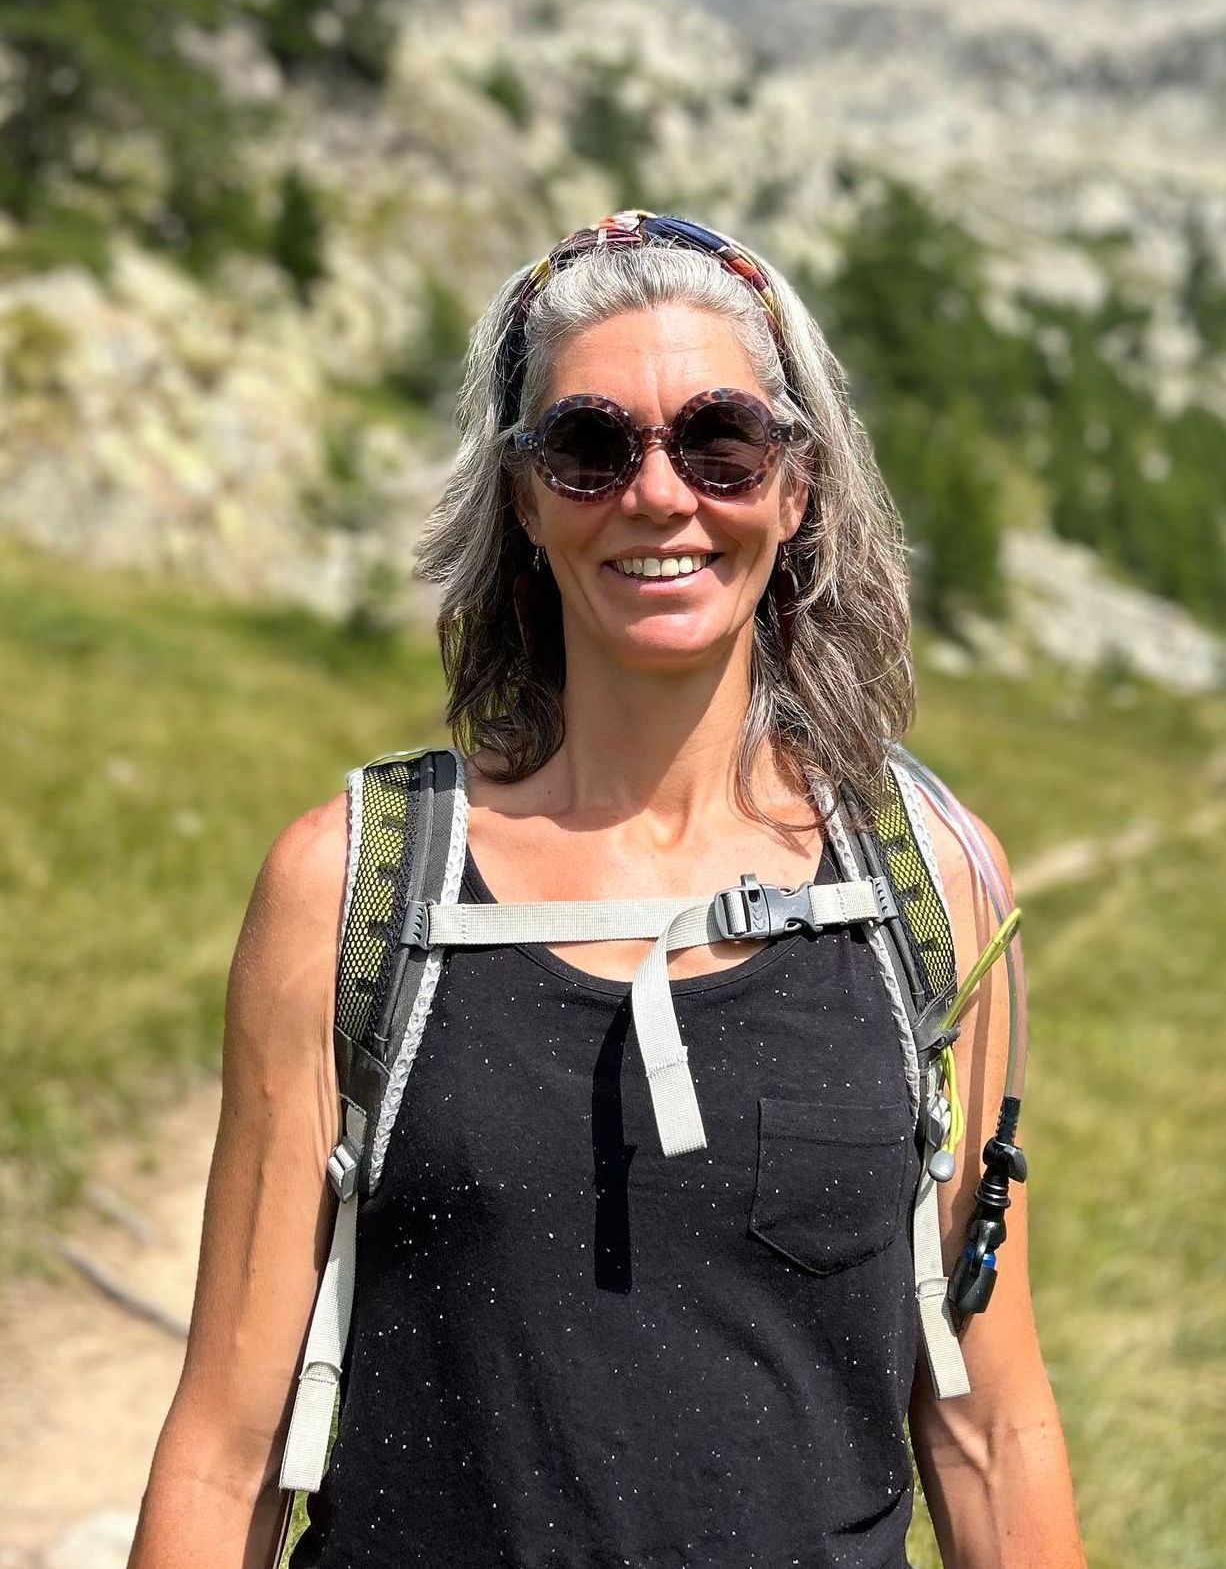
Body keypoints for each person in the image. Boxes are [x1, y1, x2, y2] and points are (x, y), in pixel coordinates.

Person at [130, 210, 1086, 1568]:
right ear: (524, 501)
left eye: (720, 440)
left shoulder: (930, 886)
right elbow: (227, 1446)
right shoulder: (349, 885)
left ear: (797, 486)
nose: (657, 495)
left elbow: (991, 1426)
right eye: (589, 447)